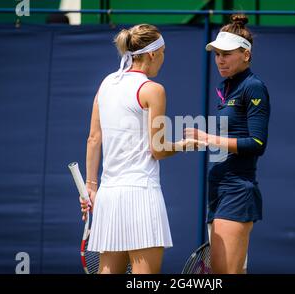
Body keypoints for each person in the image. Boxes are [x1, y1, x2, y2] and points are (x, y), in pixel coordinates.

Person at [79, 24, 202, 274]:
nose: (164, 58)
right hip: (142, 194)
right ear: (153, 54)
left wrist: (90, 188)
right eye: (164, 52)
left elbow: (94, 138)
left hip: (108, 196)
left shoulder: (106, 84)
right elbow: (158, 149)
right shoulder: (153, 90)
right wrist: (184, 145)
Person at [185, 14, 270, 274]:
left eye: (227, 53)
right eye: (217, 54)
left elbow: (256, 143)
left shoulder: (253, 87)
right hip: (218, 191)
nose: (220, 59)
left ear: (245, 54)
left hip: (237, 191)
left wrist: (208, 138)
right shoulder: (227, 88)